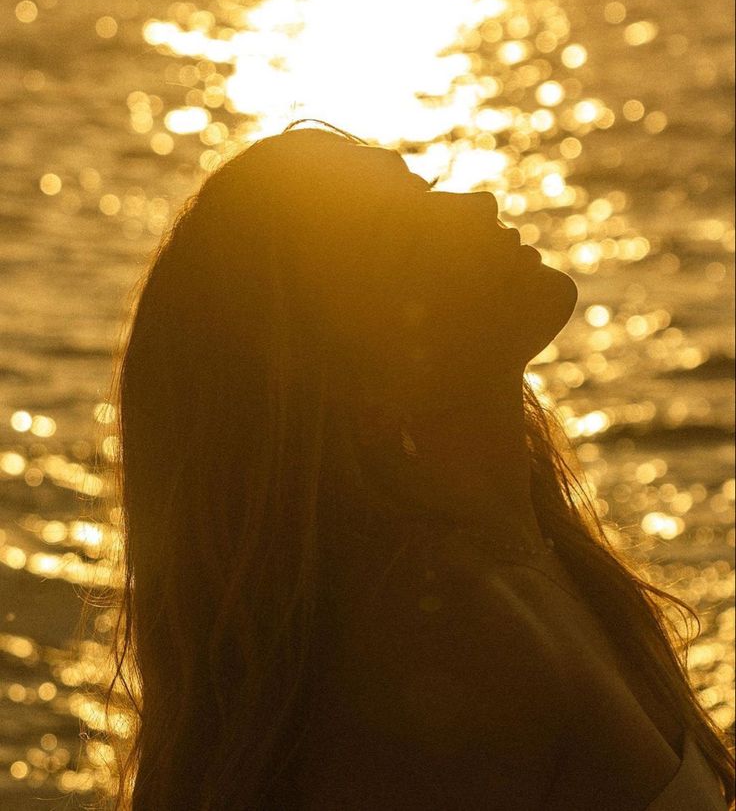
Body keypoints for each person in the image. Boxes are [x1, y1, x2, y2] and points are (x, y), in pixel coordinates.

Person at [100, 120, 734, 810]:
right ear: (360, 371)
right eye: (408, 231)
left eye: (428, 188)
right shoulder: (446, 645)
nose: (479, 202)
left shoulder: (532, 557)